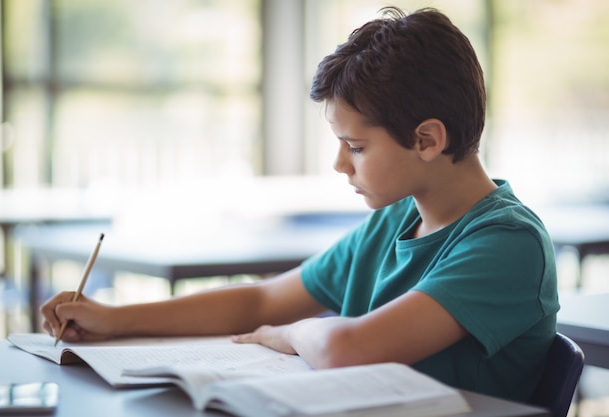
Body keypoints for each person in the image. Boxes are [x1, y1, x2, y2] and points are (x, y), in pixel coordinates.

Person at [40, 7, 559, 403]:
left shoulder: (507, 244)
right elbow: (260, 302)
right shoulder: (397, 220)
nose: (340, 164)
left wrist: (284, 336)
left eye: (356, 147)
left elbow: (345, 348)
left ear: (427, 139)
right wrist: (114, 319)